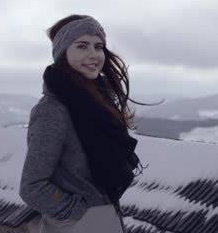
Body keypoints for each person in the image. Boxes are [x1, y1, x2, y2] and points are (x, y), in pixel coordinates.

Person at [19, 14, 150, 233]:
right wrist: (79, 213)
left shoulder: (96, 104)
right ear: (63, 54)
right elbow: (32, 187)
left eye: (98, 47)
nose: (93, 55)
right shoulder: (52, 110)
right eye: (82, 46)